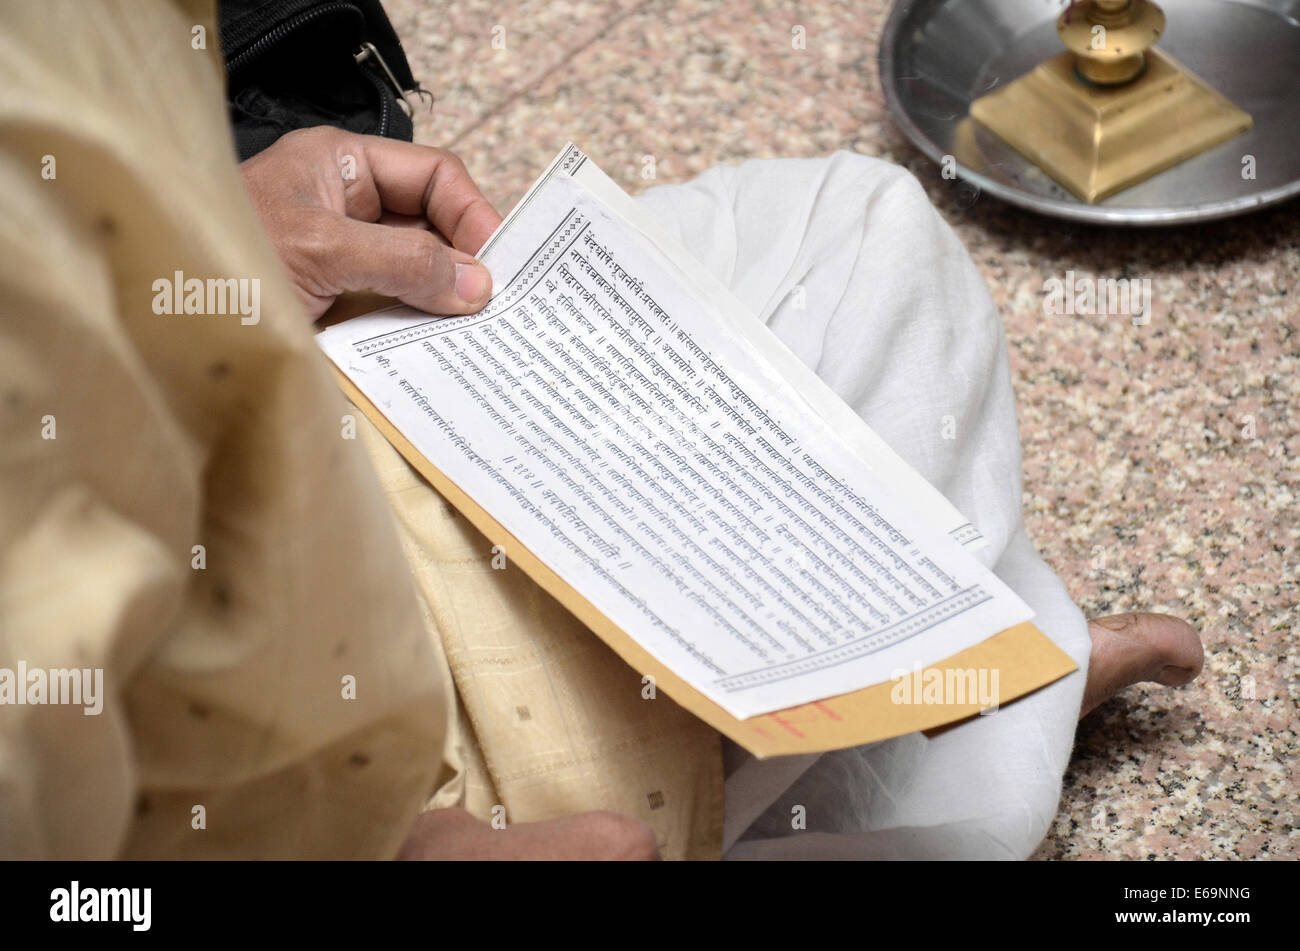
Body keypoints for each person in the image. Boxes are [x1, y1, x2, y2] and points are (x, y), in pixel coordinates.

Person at [0, 0, 1201, 860]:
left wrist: (221, 196)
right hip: (303, 707)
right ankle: (958, 732)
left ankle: (942, 717)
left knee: (862, 234)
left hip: (313, 384)